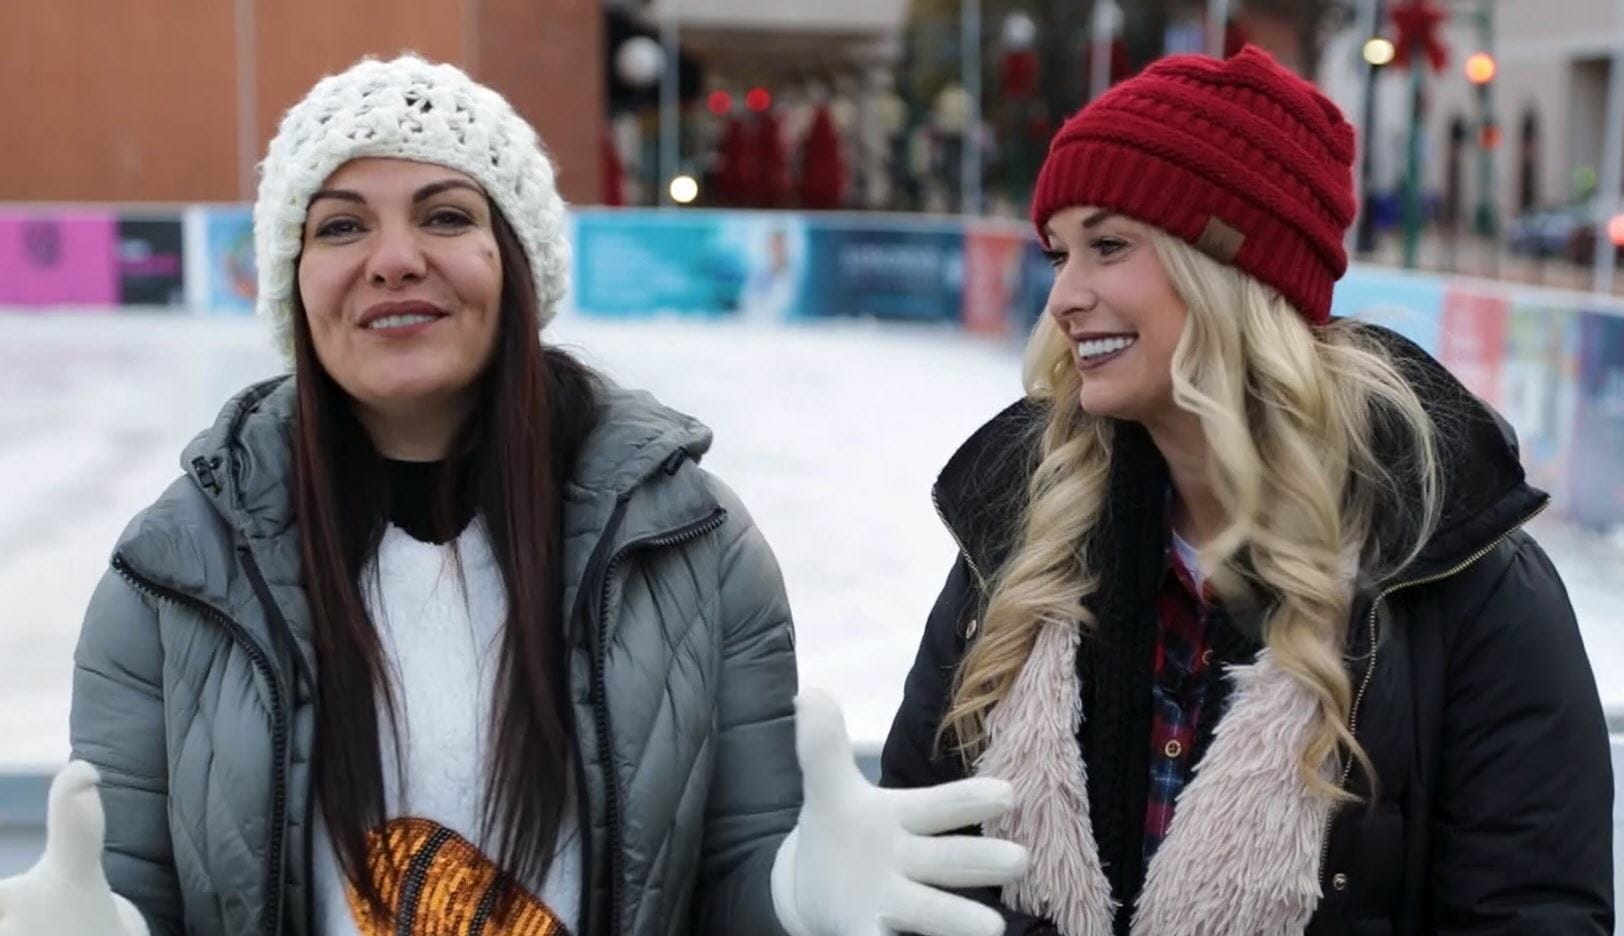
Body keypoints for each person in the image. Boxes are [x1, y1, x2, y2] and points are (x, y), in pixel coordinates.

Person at [41, 56, 1025, 936]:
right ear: (295, 283)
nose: (394, 257)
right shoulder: (171, 577)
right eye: (341, 225)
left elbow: (731, 875)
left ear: (516, 266)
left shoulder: (696, 548)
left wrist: (790, 896)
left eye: (445, 215)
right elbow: (124, 887)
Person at [880, 47, 1613, 936]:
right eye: (1059, 252)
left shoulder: (1464, 580)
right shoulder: (1017, 538)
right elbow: (921, 867)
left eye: (1109, 246)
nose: (1064, 296)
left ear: (1231, 271)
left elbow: (1530, 915)